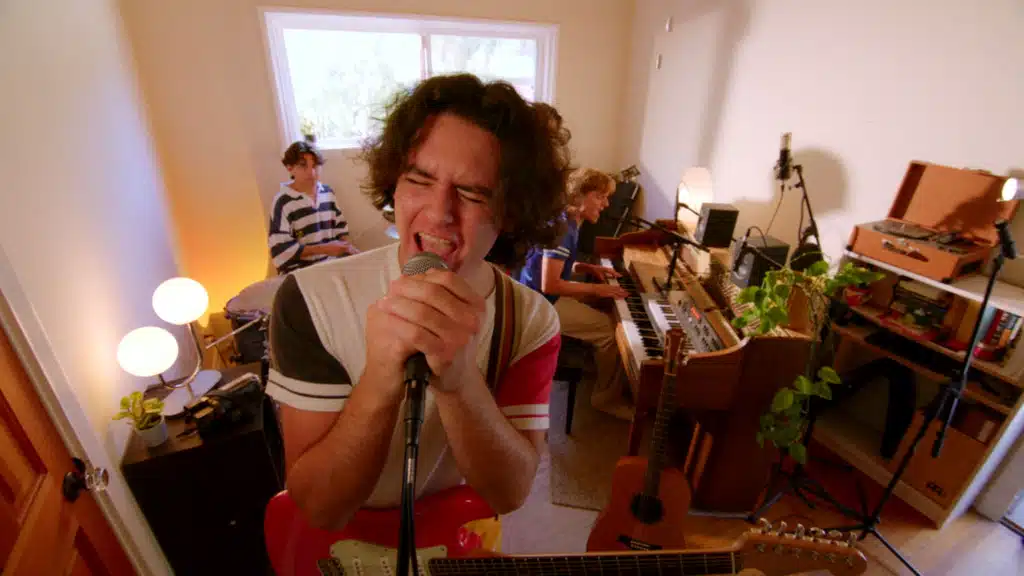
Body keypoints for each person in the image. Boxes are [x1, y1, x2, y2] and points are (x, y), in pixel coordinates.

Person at [265, 74, 571, 531]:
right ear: (394, 183)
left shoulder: (530, 319)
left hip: (455, 535)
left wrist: (461, 381)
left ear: (511, 212)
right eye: (418, 180)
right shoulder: (310, 299)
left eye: (472, 193)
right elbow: (319, 507)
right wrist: (380, 377)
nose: (439, 212)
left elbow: (509, 493)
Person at [517, 168, 633, 419]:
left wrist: (588, 268)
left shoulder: (567, 220)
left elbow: (557, 267)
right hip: (539, 304)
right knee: (610, 332)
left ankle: (598, 373)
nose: (606, 204)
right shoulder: (563, 230)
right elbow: (550, 284)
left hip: (538, 295)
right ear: (580, 195)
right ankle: (605, 399)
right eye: (600, 196)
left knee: (597, 304)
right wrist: (597, 288)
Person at [267, 139, 358, 274]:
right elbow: (280, 251)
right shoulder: (283, 202)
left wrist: (353, 252)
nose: (312, 172)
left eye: (315, 166)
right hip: (300, 273)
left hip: (330, 267)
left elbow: (341, 231)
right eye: (303, 166)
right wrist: (324, 249)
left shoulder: (327, 193)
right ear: (289, 168)